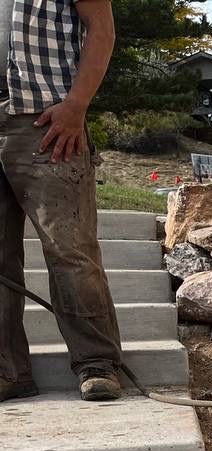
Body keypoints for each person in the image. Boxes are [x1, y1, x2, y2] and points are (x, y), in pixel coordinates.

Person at [1, 0, 122, 402]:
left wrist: (77, 104)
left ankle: (97, 363)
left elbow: (101, 27)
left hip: (46, 120)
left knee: (69, 248)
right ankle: (8, 372)